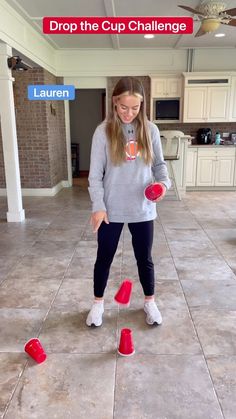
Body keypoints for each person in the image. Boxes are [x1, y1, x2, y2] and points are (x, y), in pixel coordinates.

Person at [86, 76, 171, 327]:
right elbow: (94, 175)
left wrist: (162, 185)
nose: (129, 113)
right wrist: (98, 207)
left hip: (142, 209)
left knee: (144, 258)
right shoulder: (102, 131)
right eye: (124, 107)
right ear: (114, 103)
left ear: (142, 106)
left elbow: (160, 168)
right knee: (104, 257)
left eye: (135, 108)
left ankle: (149, 301)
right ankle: (98, 304)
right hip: (111, 210)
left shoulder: (151, 129)